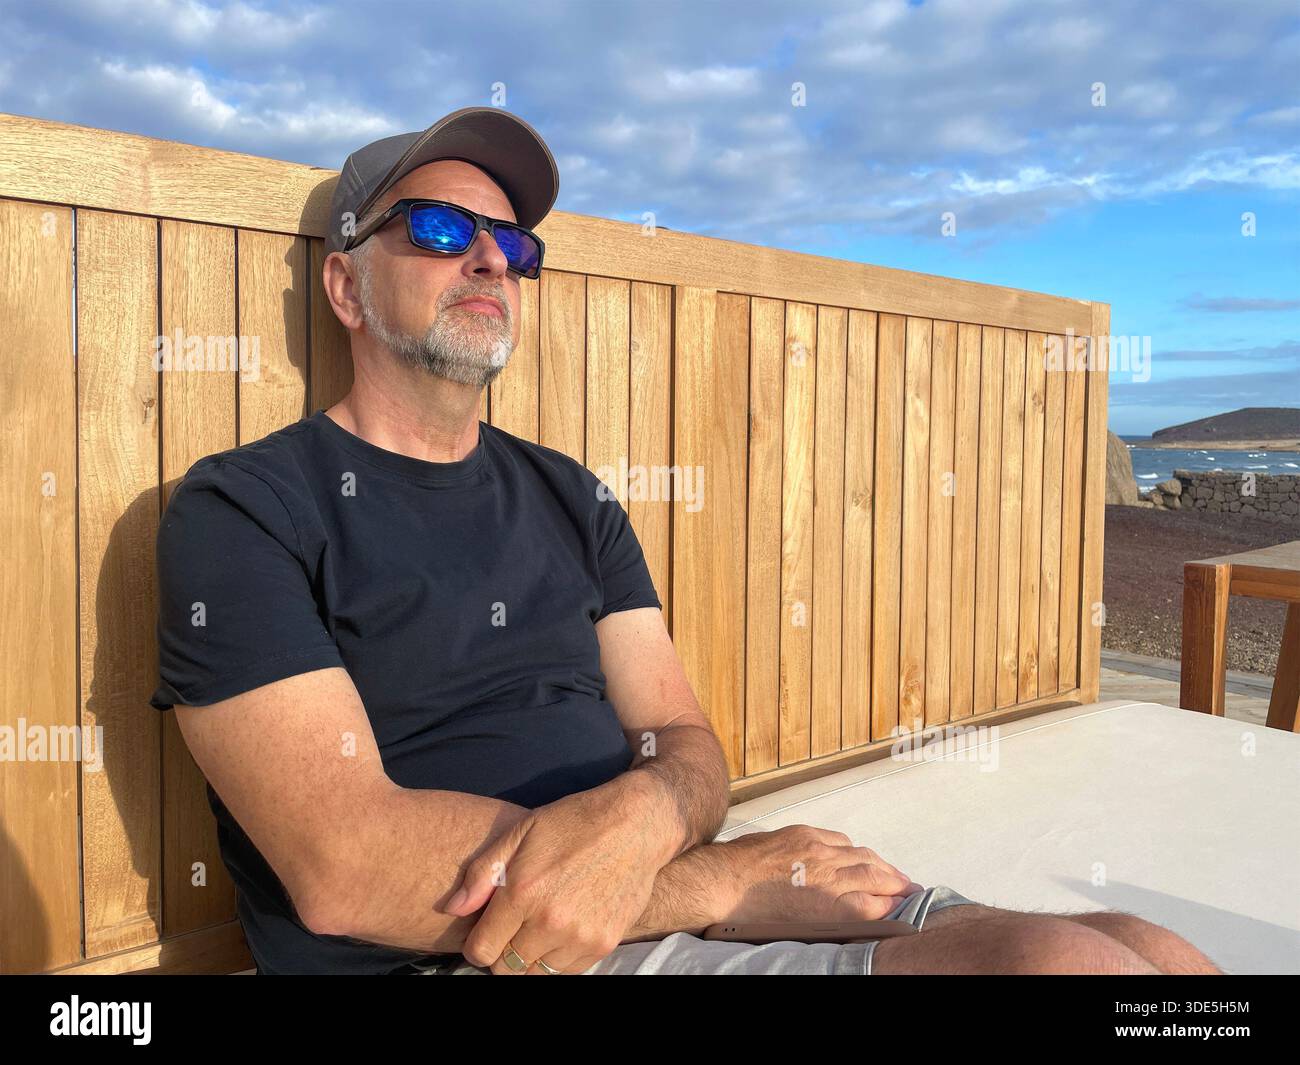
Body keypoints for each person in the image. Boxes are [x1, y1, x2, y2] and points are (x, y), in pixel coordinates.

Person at [151, 107, 1219, 976]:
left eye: (513, 245)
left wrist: (647, 813)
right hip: (462, 952)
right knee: (1065, 971)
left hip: (667, 896)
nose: (487, 258)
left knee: (1153, 954)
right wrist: (712, 883)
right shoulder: (247, 510)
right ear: (344, 282)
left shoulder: (571, 496)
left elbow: (683, 741)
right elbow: (342, 867)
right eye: (437, 229)